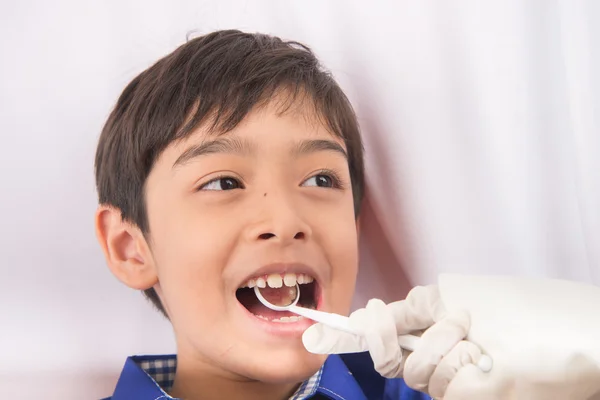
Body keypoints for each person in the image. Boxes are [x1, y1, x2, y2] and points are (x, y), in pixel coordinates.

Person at [94, 29, 482, 400]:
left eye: (320, 180)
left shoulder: (455, 391)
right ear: (130, 248)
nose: (285, 223)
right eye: (224, 184)